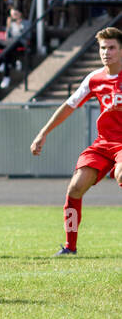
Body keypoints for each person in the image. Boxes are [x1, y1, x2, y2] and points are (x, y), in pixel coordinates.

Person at [31, 27, 122, 256]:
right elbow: (69, 106)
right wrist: (43, 133)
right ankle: (70, 247)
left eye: (111, 47)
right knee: (75, 187)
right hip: (104, 144)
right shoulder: (94, 78)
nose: (106, 52)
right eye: (103, 48)